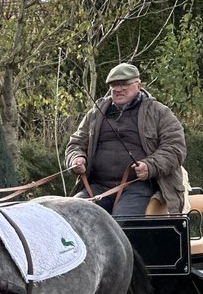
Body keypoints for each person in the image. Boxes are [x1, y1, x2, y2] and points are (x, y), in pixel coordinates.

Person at [65, 62, 187, 217]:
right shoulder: (95, 114)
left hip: (139, 187)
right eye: (114, 85)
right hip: (98, 187)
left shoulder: (159, 112)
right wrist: (76, 158)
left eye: (124, 84)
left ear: (138, 85)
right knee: (70, 215)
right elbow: (75, 143)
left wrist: (150, 166)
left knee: (124, 222)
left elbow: (175, 148)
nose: (118, 89)